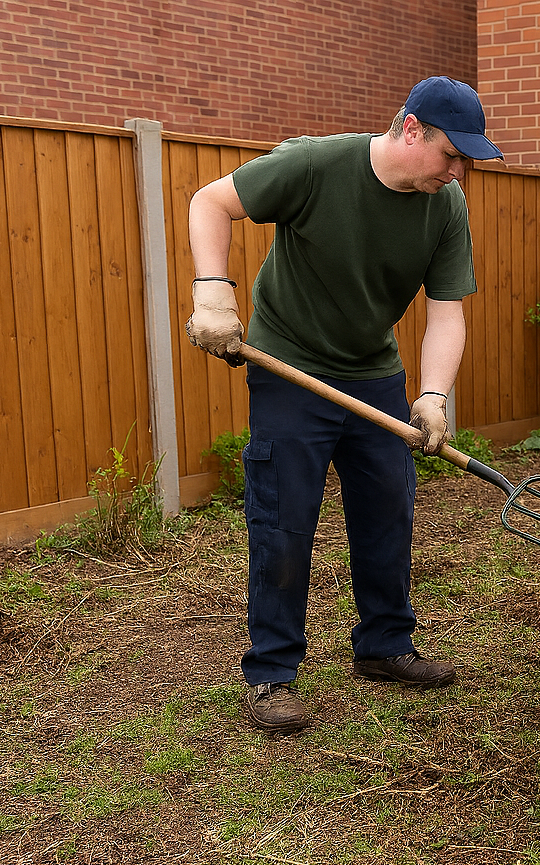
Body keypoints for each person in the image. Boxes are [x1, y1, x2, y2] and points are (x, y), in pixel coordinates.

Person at [182, 76, 503, 734]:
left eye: (466, 161)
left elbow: (447, 314)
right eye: (450, 155)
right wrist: (213, 291)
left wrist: (433, 395)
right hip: (290, 368)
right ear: (411, 129)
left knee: (388, 510)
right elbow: (209, 201)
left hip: (373, 373)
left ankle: (385, 644)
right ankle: (271, 672)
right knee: (284, 519)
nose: (457, 172)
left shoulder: (445, 205)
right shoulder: (315, 165)